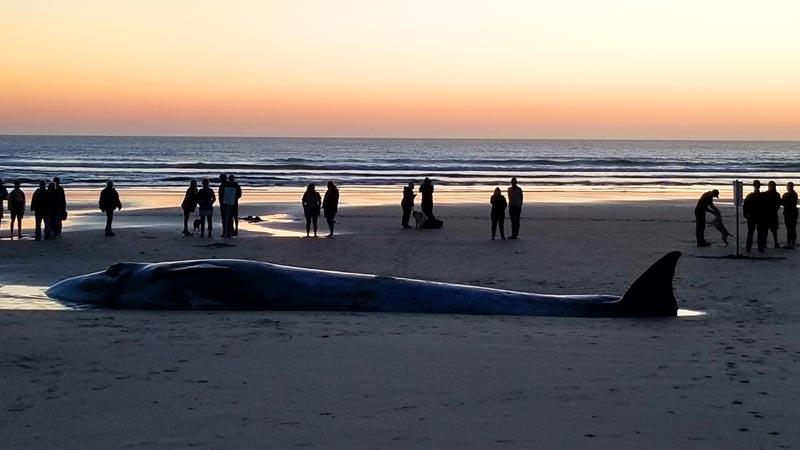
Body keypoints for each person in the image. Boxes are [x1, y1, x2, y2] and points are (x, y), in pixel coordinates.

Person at [743, 180, 763, 252]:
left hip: (753, 216)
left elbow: (745, 206)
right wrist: (745, 214)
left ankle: (749, 247)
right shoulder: (762, 196)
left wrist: (745, 214)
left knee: (751, 232)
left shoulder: (750, 196)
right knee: (758, 232)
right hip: (758, 216)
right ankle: (759, 247)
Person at [764, 181, 782, 248]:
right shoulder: (777, 194)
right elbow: (778, 205)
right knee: (774, 230)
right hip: (773, 214)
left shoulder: (765, 194)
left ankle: (765, 243)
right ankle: (775, 243)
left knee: (766, 230)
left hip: (767, 214)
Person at [782, 182, 798, 250]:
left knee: (789, 228)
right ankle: (792, 242)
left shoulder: (788, 194)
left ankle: (789, 242)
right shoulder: (795, 194)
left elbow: (784, 203)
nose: (787, 187)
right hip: (793, 212)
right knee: (792, 228)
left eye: (788, 186)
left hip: (789, 212)